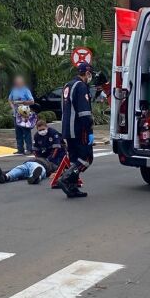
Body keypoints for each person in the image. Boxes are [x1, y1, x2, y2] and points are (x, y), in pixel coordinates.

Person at [59, 63, 94, 198]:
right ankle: (66, 178)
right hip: (80, 128)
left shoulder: (67, 85)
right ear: (87, 73)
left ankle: (72, 188)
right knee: (86, 158)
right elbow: (84, 112)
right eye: (90, 73)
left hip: (67, 128)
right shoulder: (81, 86)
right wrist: (89, 130)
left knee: (74, 159)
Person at [0, 118, 64, 184]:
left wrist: (51, 161)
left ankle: (6, 176)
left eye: (43, 129)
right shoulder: (37, 136)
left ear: (47, 127)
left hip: (38, 162)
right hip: (35, 163)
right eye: (40, 130)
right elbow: (36, 149)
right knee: (28, 170)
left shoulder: (53, 133)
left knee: (20, 170)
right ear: (37, 129)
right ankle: (34, 177)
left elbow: (57, 149)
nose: (42, 131)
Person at [8, 75, 34, 155]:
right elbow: (10, 99)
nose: (17, 83)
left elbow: (32, 101)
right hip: (16, 114)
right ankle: (20, 149)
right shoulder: (14, 90)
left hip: (24, 113)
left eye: (19, 82)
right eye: (16, 82)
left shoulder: (26, 90)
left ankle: (29, 149)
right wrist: (12, 107)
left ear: (22, 83)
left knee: (26, 132)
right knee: (18, 132)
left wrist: (24, 102)